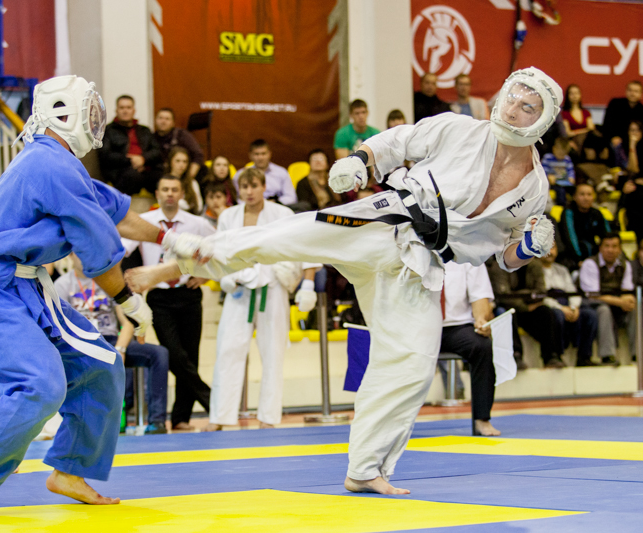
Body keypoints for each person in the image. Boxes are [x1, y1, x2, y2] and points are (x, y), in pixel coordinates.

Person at [128, 66, 562, 495]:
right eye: (512, 97)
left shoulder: (534, 190)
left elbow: (504, 258)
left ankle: (365, 468)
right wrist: (358, 161)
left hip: (423, 267)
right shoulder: (459, 128)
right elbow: (396, 142)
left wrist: (527, 249)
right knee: (284, 237)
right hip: (383, 223)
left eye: (528, 107)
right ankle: (171, 264)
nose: (514, 109)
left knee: (413, 365)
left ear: (542, 121)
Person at [0, 75, 165, 518]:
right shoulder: (48, 163)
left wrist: (173, 240)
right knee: (40, 386)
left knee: (102, 365)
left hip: (28, 286)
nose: (95, 122)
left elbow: (118, 213)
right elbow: (99, 252)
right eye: (90, 112)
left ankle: (70, 470)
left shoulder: (61, 165)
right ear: (65, 114)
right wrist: (130, 303)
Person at [205, 168, 319, 432]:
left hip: (273, 286)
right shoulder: (228, 216)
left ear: (264, 186)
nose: (249, 191)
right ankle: (220, 416)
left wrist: (309, 284)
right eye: (244, 187)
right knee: (227, 351)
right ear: (238, 190)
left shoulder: (282, 214)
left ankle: (268, 416)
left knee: (273, 353)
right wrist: (224, 278)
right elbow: (217, 252)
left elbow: (304, 246)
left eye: (254, 186)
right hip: (238, 289)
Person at [123, 175, 215, 431]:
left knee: (191, 355)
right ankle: (212, 401)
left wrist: (205, 276)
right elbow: (122, 248)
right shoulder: (145, 222)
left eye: (175, 189)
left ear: (182, 193)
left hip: (189, 292)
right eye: (165, 189)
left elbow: (218, 250)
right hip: (159, 295)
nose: (170, 194)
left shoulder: (197, 223)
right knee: (174, 354)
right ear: (157, 193)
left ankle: (181, 418)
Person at [55, 253, 169, 434]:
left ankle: (157, 421)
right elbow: (60, 326)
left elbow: (127, 323)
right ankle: (80, 424)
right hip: (82, 343)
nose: (82, 257)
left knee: (159, 353)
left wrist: (120, 349)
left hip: (111, 341)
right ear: (70, 255)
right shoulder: (62, 285)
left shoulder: (108, 281)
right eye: (77, 253)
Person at [438, 261, 500, 436]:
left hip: (457, 327)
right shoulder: (411, 249)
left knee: (481, 346)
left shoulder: (468, 254)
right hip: (419, 326)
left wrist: (481, 320)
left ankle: (482, 419)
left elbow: (480, 295)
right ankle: (396, 421)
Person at [528, 242, 598, 366]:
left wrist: (573, 307)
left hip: (567, 304)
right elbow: (541, 296)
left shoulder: (562, 269)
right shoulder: (533, 269)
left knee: (590, 315)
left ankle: (584, 357)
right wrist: (561, 308)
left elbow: (572, 291)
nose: (550, 252)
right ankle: (557, 355)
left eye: (553, 248)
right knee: (556, 315)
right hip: (549, 306)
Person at [579, 232, 636, 366]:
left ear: (620, 249)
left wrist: (629, 301)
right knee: (603, 310)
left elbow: (627, 290)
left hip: (615, 304)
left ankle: (637, 354)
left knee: (636, 308)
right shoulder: (590, 264)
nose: (610, 250)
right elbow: (593, 294)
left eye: (614, 246)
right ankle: (607, 356)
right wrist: (621, 302)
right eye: (607, 246)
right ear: (600, 248)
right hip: (591, 305)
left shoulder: (625, 264)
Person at [96, 95, 163, 195]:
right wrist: (130, 161)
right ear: (116, 110)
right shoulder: (108, 130)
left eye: (128, 107)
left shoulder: (144, 130)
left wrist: (143, 159)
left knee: (162, 178)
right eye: (122, 108)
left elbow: (157, 151)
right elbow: (105, 155)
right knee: (133, 176)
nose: (125, 111)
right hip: (121, 171)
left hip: (145, 168)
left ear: (133, 110)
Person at [558, 183, 611, 269]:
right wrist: (579, 260)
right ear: (574, 197)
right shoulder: (568, 213)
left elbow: (608, 237)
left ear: (593, 197)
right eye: (582, 194)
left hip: (592, 253)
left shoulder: (596, 213)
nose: (586, 198)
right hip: (572, 257)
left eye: (589, 194)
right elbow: (570, 238)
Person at [237, 139, 297, 205]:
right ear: (250, 155)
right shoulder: (241, 174)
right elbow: (236, 198)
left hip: (277, 206)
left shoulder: (281, 172)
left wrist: (274, 203)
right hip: (250, 206)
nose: (260, 157)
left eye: (263, 153)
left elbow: (291, 197)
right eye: (256, 154)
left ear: (269, 154)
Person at [153, 107, 205, 182]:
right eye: (160, 118)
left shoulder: (182, 134)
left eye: (167, 119)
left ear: (173, 123)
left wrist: (188, 178)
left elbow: (198, 155)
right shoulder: (151, 137)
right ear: (155, 120)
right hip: (163, 174)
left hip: (186, 173)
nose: (163, 121)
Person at [602, 80, 643, 148]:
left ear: (641, 94)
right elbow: (607, 124)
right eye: (630, 90)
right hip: (614, 140)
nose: (632, 93)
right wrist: (613, 137)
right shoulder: (615, 104)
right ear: (626, 91)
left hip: (635, 142)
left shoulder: (641, 110)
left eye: (636, 91)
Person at [166, 146, 203, 215]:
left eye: (184, 162)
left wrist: (179, 203)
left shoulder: (192, 182)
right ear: (171, 162)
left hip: (191, 216)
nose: (181, 165)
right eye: (178, 161)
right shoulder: (164, 182)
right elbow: (165, 204)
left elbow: (199, 206)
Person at [561, 84, 596, 156]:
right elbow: (568, 133)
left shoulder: (586, 112)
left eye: (577, 93)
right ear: (567, 96)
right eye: (572, 94)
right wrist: (584, 130)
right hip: (573, 140)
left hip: (587, 140)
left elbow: (591, 128)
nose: (575, 96)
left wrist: (576, 132)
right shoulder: (564, 114)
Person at [542, 137, 575, 205]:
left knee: (574, 190)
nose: (561, 156)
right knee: (561, 191)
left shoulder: (567, 159)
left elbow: (570, 170)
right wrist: (548, 176)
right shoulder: (547, 158)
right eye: (560, 154)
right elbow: (543, 170)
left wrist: (571, 177)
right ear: (554, 149)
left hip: (565, 181)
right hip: (554, 183)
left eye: (563, 154)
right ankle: (561, 206)